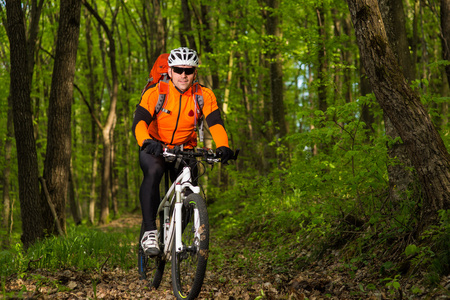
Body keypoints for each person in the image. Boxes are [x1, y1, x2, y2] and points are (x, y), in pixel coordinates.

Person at [132, 47, 234, 256]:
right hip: (155, 146)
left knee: (190, 190)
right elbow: (139, 122)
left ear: (195, 73)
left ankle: (174, 236)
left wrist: (223, 146)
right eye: (178, 70)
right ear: (170, 71)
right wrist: (146, 141)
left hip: (185, 149)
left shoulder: (203, 95)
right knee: (153, 172)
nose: (183, 75)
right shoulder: (156, 93)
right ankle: (150, 231)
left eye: (188, 70)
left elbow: (215, 124)